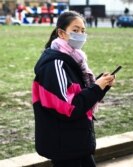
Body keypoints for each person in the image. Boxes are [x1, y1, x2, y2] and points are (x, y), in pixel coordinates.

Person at [32, 11, 115, 167]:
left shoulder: (72, 59)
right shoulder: (55, 63)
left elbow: (77, 95)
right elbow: (69, 107)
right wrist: (97, 88)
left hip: (75, 141)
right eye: (75, 30)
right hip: (65, 145)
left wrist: (101, 86)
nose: (81, 35)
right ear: (61, 33)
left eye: (83, 31)